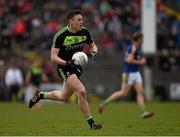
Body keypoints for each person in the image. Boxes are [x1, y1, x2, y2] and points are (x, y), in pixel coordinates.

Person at [28, 10, 102, 130]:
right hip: (64, 67)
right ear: (71, 22)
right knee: (81, 91)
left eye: (82, 20)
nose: (81, 22)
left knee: (64, 97)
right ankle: (91, 123)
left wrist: (94, 51)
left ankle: (41, 95)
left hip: (77, 68)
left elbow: (93, 45)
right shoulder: (60, 35)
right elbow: (53, 58)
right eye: (79, 20)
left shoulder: (85, 32)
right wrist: (67, 62)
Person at [98, 32, 154, 118]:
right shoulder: (132, 48)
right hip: (129, 73)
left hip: (136, 73)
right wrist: (141, 62)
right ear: (139, 39)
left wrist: (141, 61)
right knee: (123, 93)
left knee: (140, 92)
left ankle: (143, 112)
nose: (143, 40)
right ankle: (104, 103)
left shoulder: (138, 48)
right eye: (142, 38)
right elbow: (129, 60)